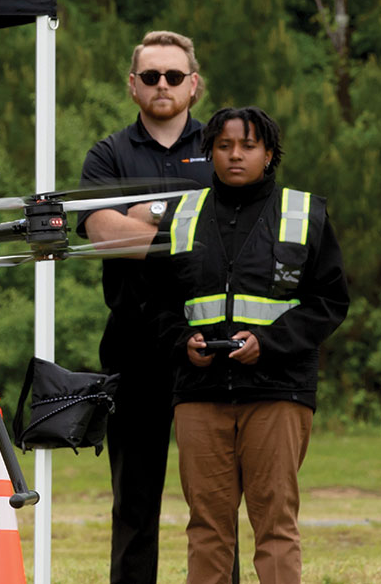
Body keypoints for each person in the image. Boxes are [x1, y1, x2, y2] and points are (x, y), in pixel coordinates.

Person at [148, 106, 349, 583]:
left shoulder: (305, 213)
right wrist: (182, 342)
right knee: (207, 528)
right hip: (199, 394)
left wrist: (271, 343)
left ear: (269, 154)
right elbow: (152, 303)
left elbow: (330, 302)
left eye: (248, 145)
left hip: (279, 392)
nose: (235, 155)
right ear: (209, 152)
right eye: (224, 145)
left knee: (275, 527)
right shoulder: (181, 215)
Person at [77, 30, 215, 584]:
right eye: (151, 76)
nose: (163, 85)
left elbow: (234, 233)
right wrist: (184, 210)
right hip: (133, 341)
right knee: (134, 500)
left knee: (215, 498)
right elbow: (107, 238)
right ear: (133, 86)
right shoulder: (108, 153)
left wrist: (145, 212)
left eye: (174, 76)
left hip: (210, 339)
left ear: (193, 85)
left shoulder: (227, 143)